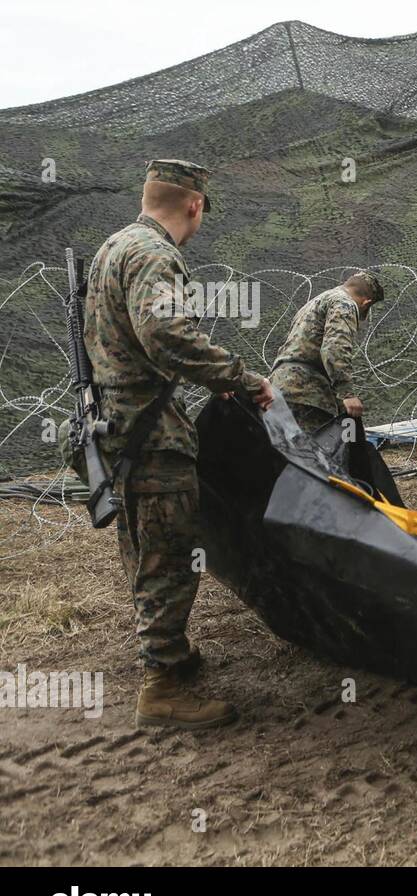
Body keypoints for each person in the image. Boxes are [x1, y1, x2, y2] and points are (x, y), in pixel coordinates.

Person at [83, 159, 274, 730]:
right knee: (169, 554)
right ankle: (161, 687)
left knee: (146, 550)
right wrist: (240, 379)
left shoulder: (112, 248)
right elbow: (166, 335)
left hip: (120, 429)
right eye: (201, 214)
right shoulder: (152, 254)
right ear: (194, 205)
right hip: (151, 434)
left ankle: (170, 654)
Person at [270, 272, 384, 434]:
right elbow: (334, 347)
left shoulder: (314, 303)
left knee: (288, 453)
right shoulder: (345, 303)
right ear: (366, 302)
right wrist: (347, 393)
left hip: (280, 388)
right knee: (314, 455)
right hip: (307, 393)